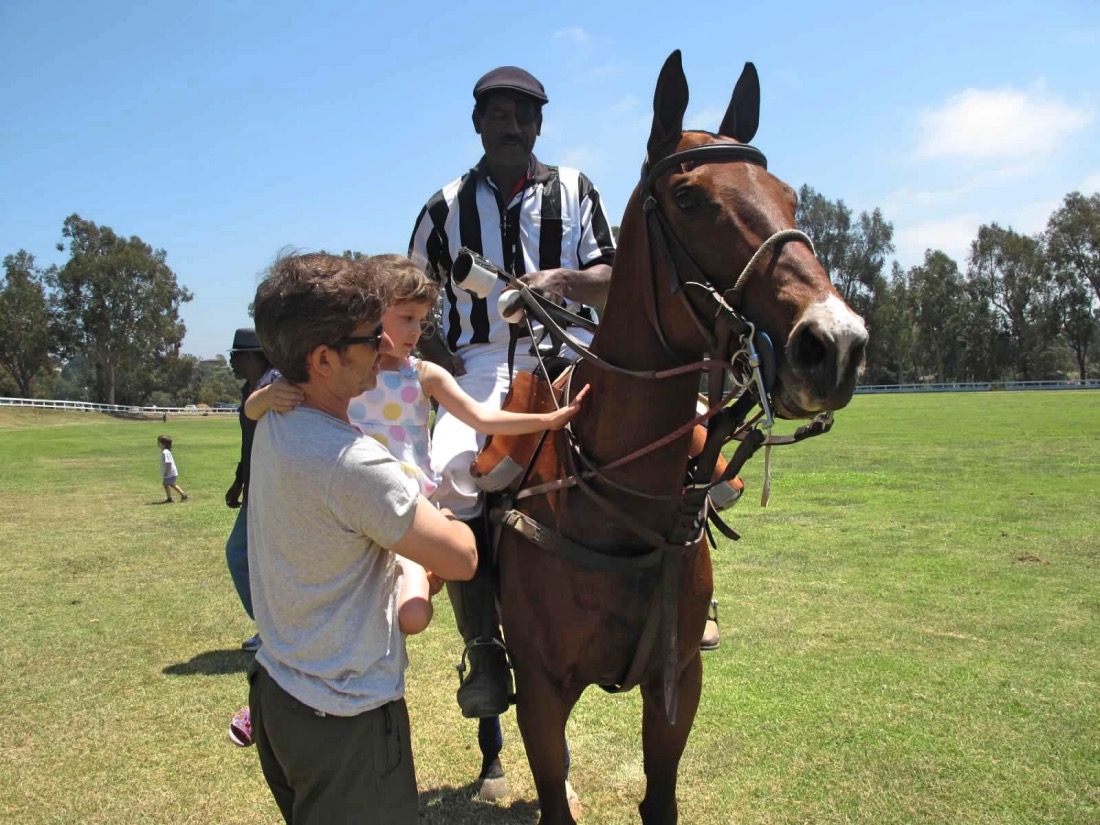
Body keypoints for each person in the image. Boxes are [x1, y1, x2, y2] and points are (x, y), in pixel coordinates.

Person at [408, 66, 616, 744]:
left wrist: (560, 280)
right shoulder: (443, 208)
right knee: (454, 469)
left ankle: (689, 601)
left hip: (578, 349)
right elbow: (410, 299)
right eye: (499, 113)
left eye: (525, 115)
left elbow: (615, 278)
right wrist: (443, 373)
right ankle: (485, 647)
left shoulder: (578, 189)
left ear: (540, 125)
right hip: (485, 363)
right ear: (477, 122)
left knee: (674, 434)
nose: (513, 126)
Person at [246, 251, 478, 824]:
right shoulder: (354, 466)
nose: (385, 348)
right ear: (323, 359)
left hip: (280, 693)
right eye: (369, 337)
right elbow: (463, 556)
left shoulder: (279, 419)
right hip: (345, 720)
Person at [244, 264, 590, 637]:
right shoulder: (343, 369)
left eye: (422, 321)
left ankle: (477, 636)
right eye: (406, 318)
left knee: (413, 618)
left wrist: (546, 421)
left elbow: (483, 419)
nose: (416, 331)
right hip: (354, 502)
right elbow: (253, 410)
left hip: (407, 504)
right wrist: (263, 397)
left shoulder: (423, 375)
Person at [224, 328, 277, 652]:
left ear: (252, 356)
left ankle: (273, 629)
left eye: (235, 355)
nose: (231, 361)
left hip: (273, 488)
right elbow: (249, 443)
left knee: (242, 554)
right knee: (251, 557)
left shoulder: (275, 387)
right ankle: (272, 627)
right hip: (257, 486)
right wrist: (240, 479)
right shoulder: (252, 389)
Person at [157, 435, 188, 503]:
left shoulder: (165, 452)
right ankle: (183, 495)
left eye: (159, 442)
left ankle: (169, 498)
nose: (157, 443)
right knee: (172, 484)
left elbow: (169, 463)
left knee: (166, 484)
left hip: (169, 473)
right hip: (172, 473)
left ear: (164, 444)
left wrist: (166, 472)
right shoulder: (166, 451)